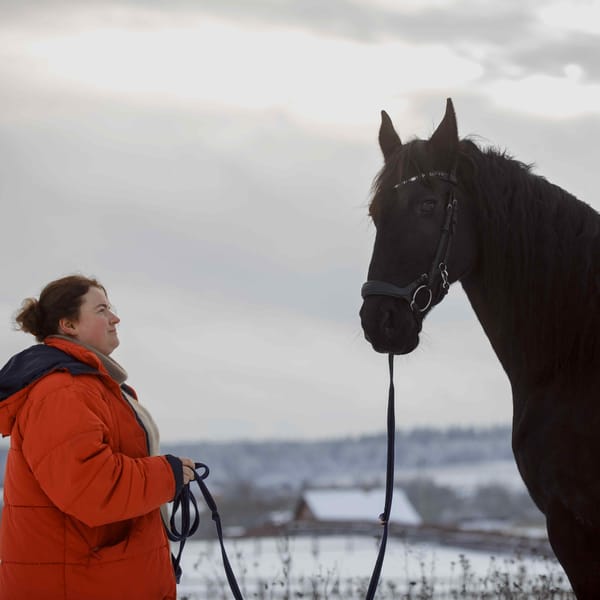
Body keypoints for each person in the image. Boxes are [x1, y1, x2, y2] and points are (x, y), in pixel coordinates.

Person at [0, 275, 196, 600]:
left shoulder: (89, 385)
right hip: (80, 584)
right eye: (102, 309)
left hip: (98, 578)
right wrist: (167, 475)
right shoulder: (61, 392)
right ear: (69, 325)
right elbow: (91, 488)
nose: (115, 318)